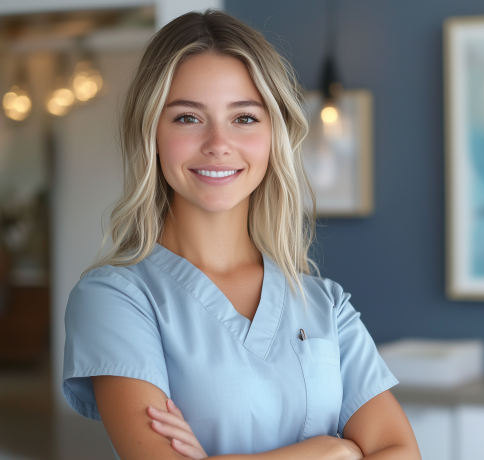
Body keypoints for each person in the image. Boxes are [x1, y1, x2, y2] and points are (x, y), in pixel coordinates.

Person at [61, 10, 420, 460]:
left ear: (274, 133)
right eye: (188, 118)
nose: (218, 142)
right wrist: (333, 452)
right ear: (151, 131)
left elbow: (400, 451)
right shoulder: (115, 299)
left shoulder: (325, 304)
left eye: (245, 118)